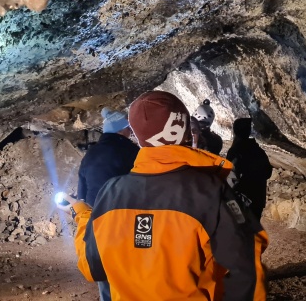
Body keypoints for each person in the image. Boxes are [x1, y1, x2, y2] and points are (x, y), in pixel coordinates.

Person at [60, 91, 268, 301]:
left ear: (138, 135)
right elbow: (246, 264)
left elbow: (93, 266)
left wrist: (83, 215)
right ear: (185, 129)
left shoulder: (110, 194)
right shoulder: (210, 191)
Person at [76, 106, 139, 300]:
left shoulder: (91, 154)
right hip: (123, 217)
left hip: (96, 218)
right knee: (127, 268)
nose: (130, 131)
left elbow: (82, 189)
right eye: (128, 127)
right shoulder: (130, 151)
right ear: (121, 130)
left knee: (103, 263)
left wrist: (80, 214)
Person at [226, 118, 273, 220]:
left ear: (235, 131)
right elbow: (268, 172)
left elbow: (232, 178)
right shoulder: (258, 150)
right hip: (258, 200)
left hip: (242, 201)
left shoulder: (236, 151)